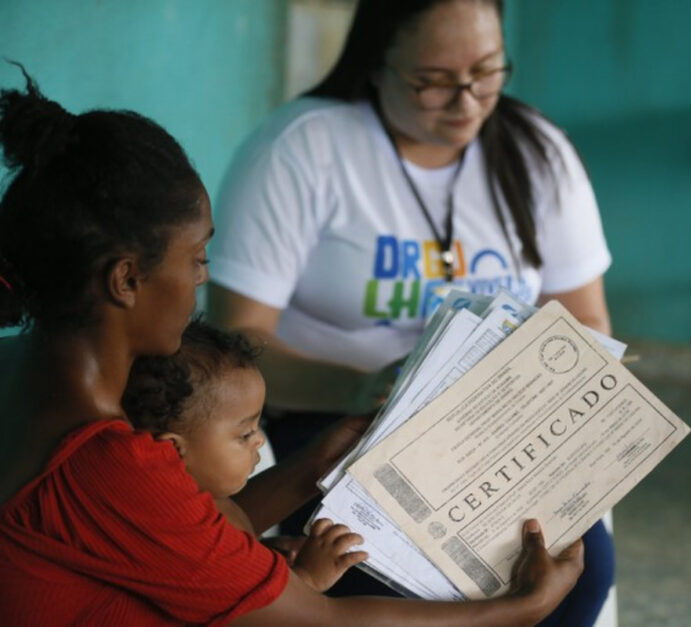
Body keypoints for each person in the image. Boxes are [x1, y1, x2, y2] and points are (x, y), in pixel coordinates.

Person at [0, 71, 583, 625]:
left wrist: (313, 466)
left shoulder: (27, 369)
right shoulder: (103, 460)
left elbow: (180, 535)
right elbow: (319, 621)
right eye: (197, 257)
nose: (202, 278)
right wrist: (521, 610)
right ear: (126, 280)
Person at [207, 0, 615, 623]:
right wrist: (365, 386)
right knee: (387, 572)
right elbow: (238, 338)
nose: (467, 101)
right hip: (334, 428)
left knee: (578, 572)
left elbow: (586, 323)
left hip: (496, 436)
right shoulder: (303, 149)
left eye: (487, 72)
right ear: (377, 64)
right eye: (433, 82)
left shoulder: (539, 154)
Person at [122, 317, 367, 587]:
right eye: (245, 434)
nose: (260, 440)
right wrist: (308, 577)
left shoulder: (212, 508)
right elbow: (261, 613)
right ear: (172, 449)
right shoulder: (183, 534)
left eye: (257, 426)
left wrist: (264, 553)